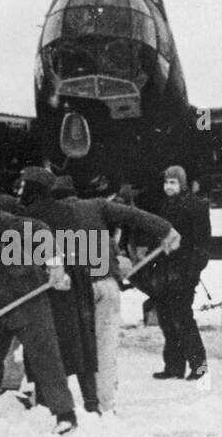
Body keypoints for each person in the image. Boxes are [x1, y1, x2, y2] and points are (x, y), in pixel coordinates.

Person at [0, 193, 78, 433]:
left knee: (44, 356)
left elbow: (38, 228)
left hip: (28, 297)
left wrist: (55, 263)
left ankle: (66, 415)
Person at [66, 193, 179, 412]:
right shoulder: (96, 206)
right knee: (105, 349)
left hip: (76, 287)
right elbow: (133, 215)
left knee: (69, 346)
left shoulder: (52, 212)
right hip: (106, 284)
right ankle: (106, 405)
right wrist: (165, 228)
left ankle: (50, 404)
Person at [17, 166, 100, 413]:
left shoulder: (26, 217)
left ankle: (46, 404)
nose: (19, 190)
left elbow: (20, 260)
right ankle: (91, 403)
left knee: (45, 345)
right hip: (75, 287)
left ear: (32, 188)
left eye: (22, 186)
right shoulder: (69, 212)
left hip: (45, 290)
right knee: (82, 344)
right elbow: (86, 252)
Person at [154, 164, 211, 380]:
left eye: (173, 183)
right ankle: (174, 367)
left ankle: (199, 367)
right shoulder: (165, 205)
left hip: (184, 273)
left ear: (182, 184)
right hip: (164, 272)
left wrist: (192, 273)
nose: (168, 187)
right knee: (166, 320)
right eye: (166, 183)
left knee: (183, 319)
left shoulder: (196, 207)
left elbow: (201, 245)